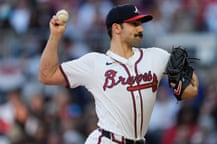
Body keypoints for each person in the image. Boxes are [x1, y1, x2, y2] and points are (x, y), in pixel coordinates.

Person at [39, 4, 199, 144]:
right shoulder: (95, 63)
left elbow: (190, 91)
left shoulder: (156, 56)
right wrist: (55, 36)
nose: (141, 29)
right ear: (116, 28)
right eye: (134, 24)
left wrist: (186, 69)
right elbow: (47, 75)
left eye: (141, 24)